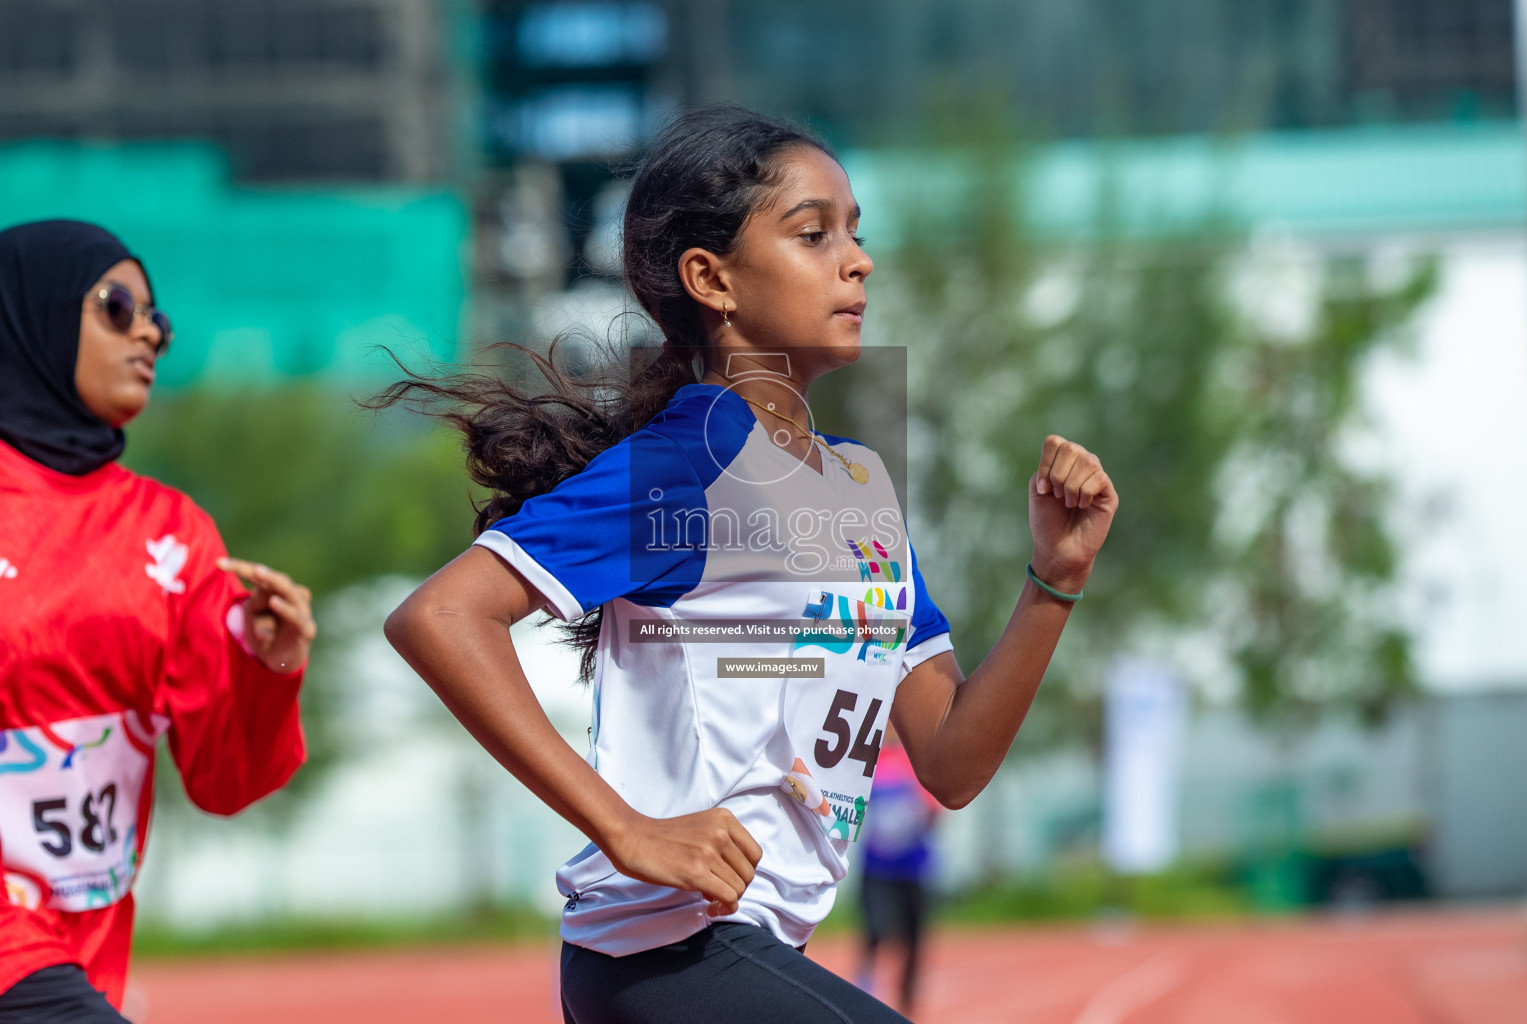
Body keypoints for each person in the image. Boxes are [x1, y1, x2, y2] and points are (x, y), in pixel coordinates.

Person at [384, 106, 1117, 1024]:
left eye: (856, 233)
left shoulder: (859, 490)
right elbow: (441, 617)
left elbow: (953, 761)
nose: (858, 260)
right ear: (712, 279)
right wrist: (626, 829)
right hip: (668, 955)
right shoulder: (694, 459)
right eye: (814, 234)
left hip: (753, 952)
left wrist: (1057, 577)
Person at [0, 220, 315, 1021]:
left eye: (158, 319)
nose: (148, 331)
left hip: (85, 953)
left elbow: (226, 778)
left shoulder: (171, 532)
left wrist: (268, 666)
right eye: (116, 306)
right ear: (28, 313)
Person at [856, 738, 942, 1017]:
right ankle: (864, 990)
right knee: (875, 933)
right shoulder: (873, 760)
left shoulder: (917, 761)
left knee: (913, 939)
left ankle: (906, 1005)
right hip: (878, 866)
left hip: (910, 867)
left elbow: (934, 809)